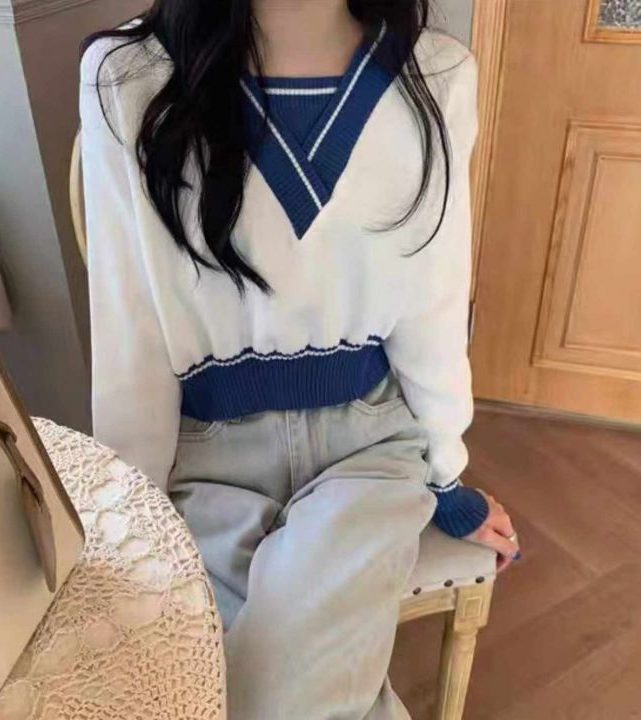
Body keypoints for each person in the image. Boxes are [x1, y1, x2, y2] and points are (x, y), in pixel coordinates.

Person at [79, 1, 520, 717]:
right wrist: (131, 516)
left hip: (368, 453)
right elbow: (130, 325)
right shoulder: (128, 76)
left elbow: (432, 306)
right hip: (208, 464)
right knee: (261, 691)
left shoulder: (435, 74)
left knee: (254, 696)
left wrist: (445, 476)